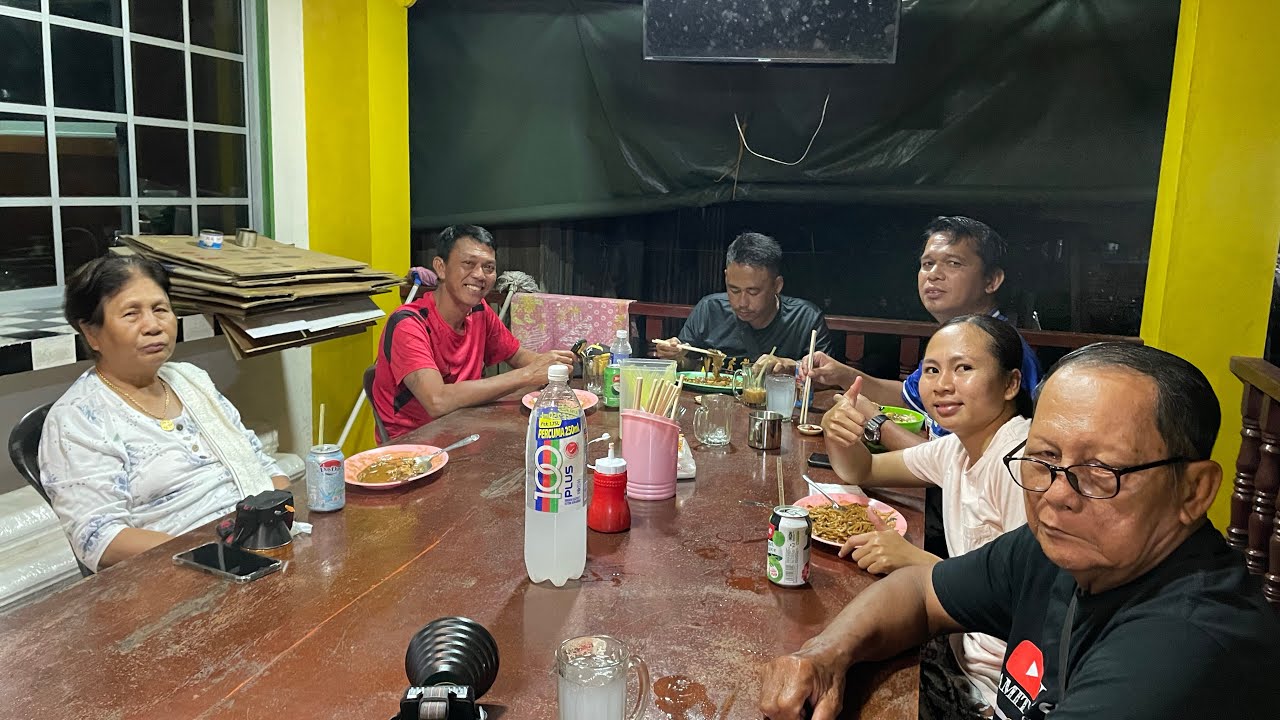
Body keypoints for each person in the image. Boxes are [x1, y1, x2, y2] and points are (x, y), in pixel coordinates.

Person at [760, 343, 1280, 720]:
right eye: (1044, 459)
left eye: (1100, 471)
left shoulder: (1186, 649)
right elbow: (919, 592)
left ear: (1193, 492)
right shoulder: (1061, 548)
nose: (1056, 493)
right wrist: (824, 656)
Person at [821, 314, 1031, 714]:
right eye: (932, 370)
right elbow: (861, 470)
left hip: (996, 689)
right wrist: (840, 435)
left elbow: (1029, 603)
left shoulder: (1019, 461)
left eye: (963, 368)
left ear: (1011, 383)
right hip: (957, 650)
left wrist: (916, 562)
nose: (942, 383)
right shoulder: (956, 448)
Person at [39, 256, 288, 572]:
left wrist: (281, 515)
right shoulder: (78, 418)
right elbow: (100, 539)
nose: (153, 326)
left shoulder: (190, 379)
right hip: (183, 572)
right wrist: (210, 552)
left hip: (260, 544)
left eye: (160, 309)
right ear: (92, 334)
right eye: (131, 314)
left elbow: (258, 461)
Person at [795, 216, 1041, 451]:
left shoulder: (1004, 351)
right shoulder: (955, 339)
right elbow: (907, 398)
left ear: (992, 280)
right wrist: (841, 374)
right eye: (927, 264)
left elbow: (960, 464)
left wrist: (876, 421)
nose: (934, 274)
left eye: (953, 263)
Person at [371, 224, 575, 439]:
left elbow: (517, 355)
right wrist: (528, 375)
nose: (479, 275)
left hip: (468, 429)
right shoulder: (408, 324)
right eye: (468, 264)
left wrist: (551, 366)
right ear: (441, 267)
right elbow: (437, 401)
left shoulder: (479, 311)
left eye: (488, 267)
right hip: (415, 447)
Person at [653, 231, 832, 366]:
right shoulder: (709, 309)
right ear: (726, 278)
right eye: (734, 290)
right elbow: (688, 363)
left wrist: (789, 367)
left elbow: (825, 378)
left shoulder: (806, 319)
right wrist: (675, 356)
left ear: (777, 285)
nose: (742, 303)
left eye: (753, 292)